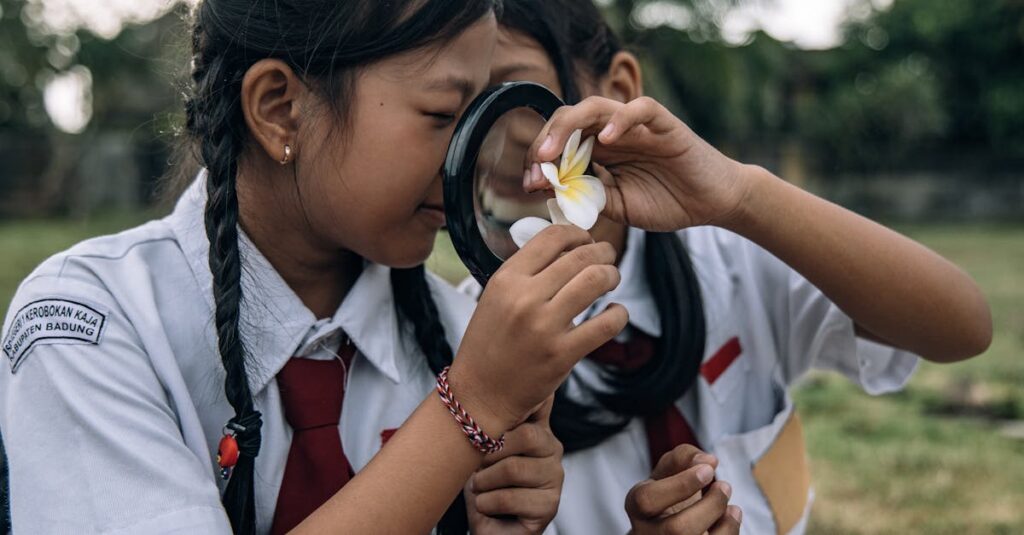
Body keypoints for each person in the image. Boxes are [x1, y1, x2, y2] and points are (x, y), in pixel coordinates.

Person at [0, 2, 630, 533]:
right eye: (441, 115)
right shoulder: (92, 324)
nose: (469, 159)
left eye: (482, 113)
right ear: (279, 108)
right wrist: (468, 409)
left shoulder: (463, 332)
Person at [470, 1, 993, 533]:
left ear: (621, 88)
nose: (491, 137)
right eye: (460, 111)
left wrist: (741, 195)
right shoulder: (479, 340)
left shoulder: (729, 256)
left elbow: (964, 327)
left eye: (511, 93)